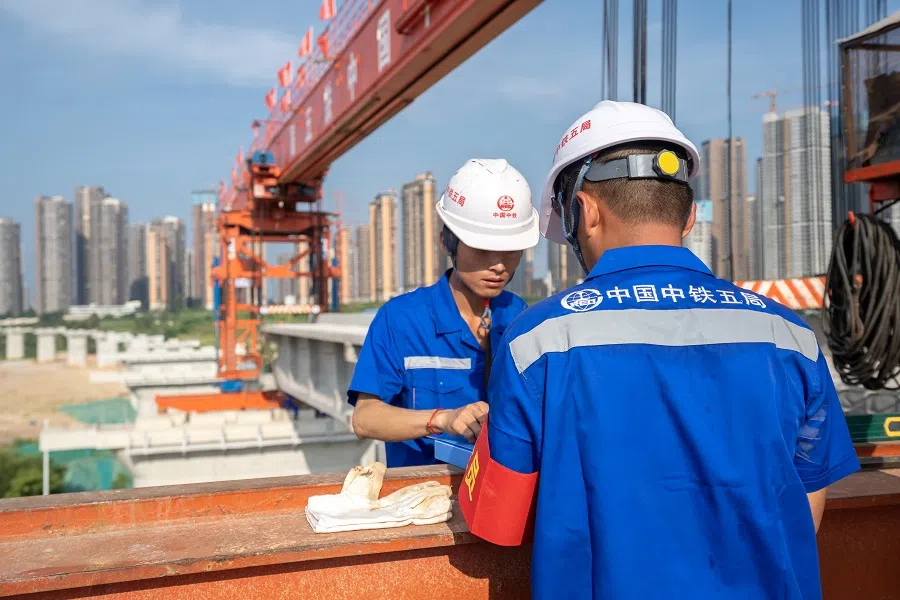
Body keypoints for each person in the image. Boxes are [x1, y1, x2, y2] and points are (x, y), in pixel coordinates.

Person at [459, 101, 860, 599]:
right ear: (689, 216)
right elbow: (805, 507)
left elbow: (498, 518)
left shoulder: (536, 341)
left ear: (585, 211)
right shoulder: (792, 337)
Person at [347, 158, 540, 468]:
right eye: (483, 248)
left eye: (511, 249)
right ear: (446, 241)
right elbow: (365, 419)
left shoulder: (521, 317)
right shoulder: (401, 321)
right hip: (423, 498)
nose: (499, 264)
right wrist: (443, 420)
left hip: (500, 497)